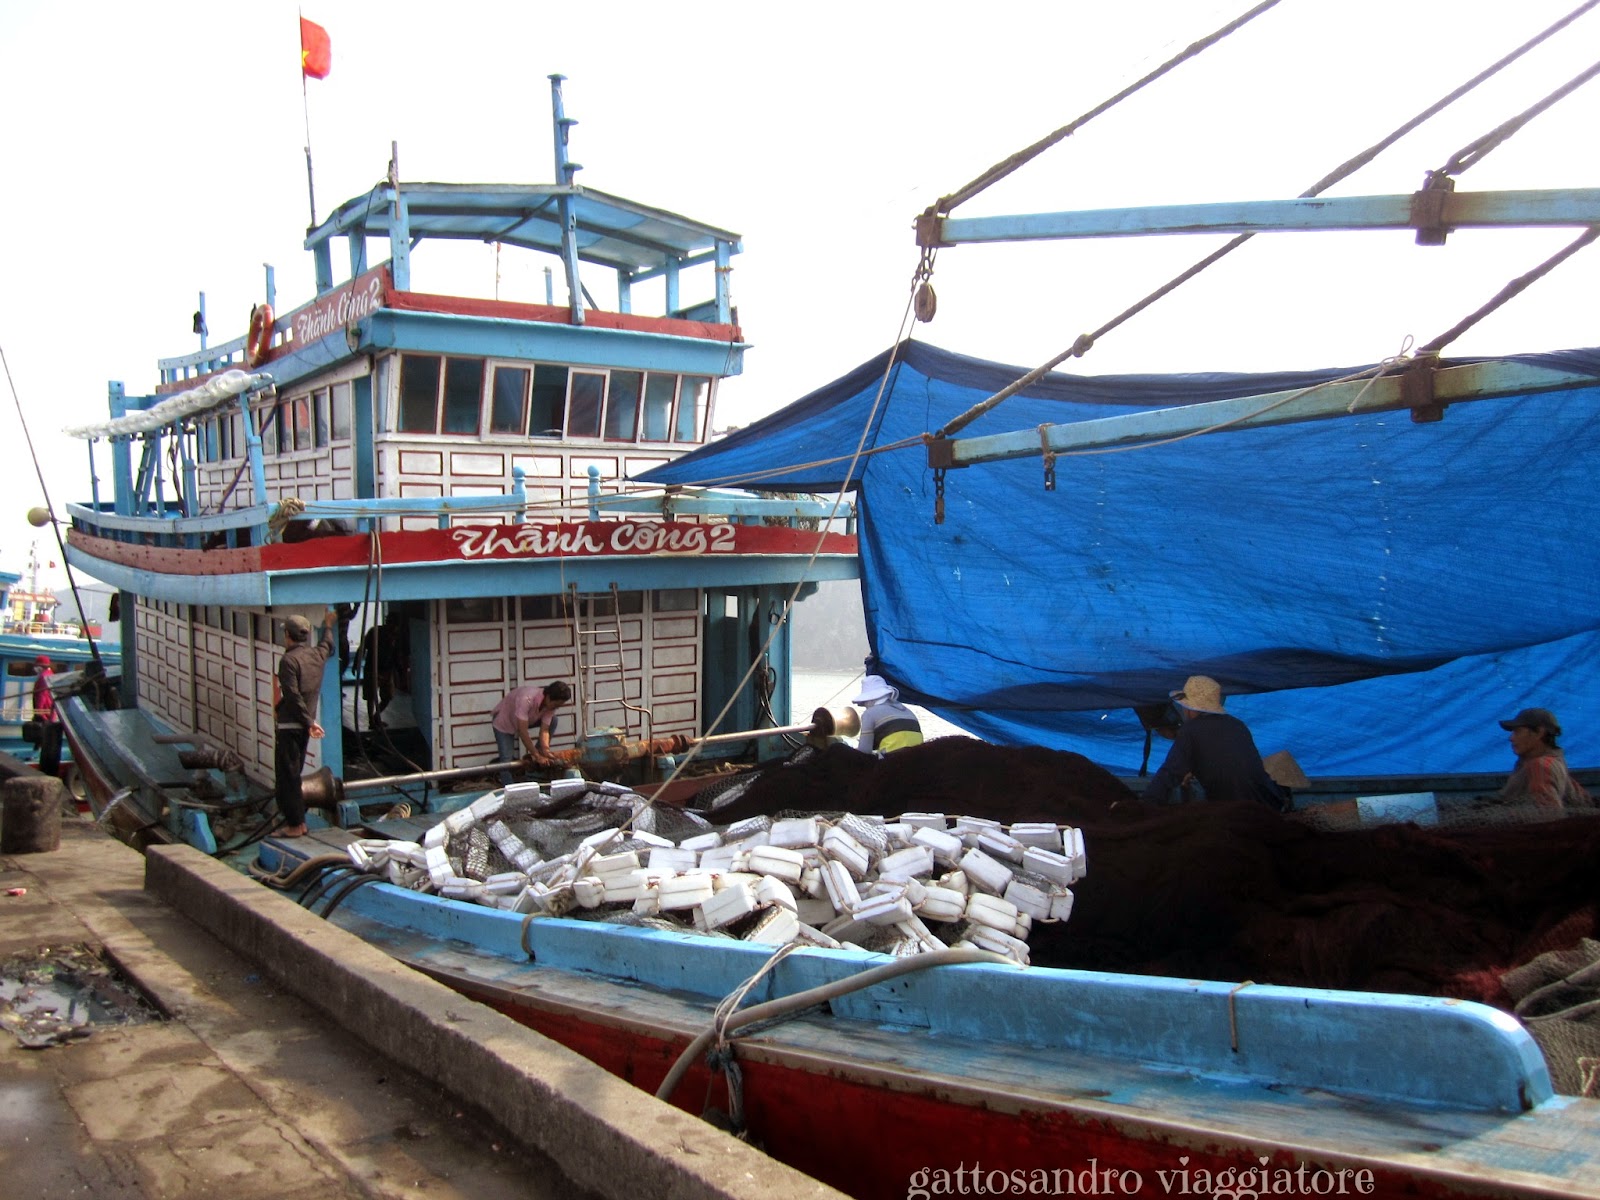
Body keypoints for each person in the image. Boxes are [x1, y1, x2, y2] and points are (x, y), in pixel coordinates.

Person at [1141, 675, 1288, 812]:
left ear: (1188, 708)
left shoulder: (1191, 730)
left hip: (1235, 809)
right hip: (1267, 803)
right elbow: (1228, 760)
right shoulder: (1238, 725)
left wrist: (1146, 804)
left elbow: (1170, 772)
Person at [274, 610, 337, 837]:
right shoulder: (316, 655)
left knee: (287, 779)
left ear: (288, 637)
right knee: (294, 772)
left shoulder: (288, 660)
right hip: (302, 728)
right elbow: (327, 644)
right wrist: (328, 624)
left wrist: (309, 721)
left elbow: (291, 695)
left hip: (291, 726)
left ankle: (296, 824)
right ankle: (297, 821)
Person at [1494, 708, 1589, 813]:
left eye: (1518, 731)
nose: (1511, 738)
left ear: (1539, 733)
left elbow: (1548, 816)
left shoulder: (1540, 766)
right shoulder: (1553, 763)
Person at [490, 680, 573, 784]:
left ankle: (538, 755)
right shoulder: (527, 699)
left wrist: (546, 751)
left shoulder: (550, 705)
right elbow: (522, 732)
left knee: (554, 720)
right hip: (504, 722)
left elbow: (545, 730)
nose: (556, 708)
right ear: (548, 697)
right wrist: (537, 756)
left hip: (527, 720)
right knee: (506, 761)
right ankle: (509, 787)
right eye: (556, 704)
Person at [357, 611, 410, 729]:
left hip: (387, 671)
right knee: (370, 696)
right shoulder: (375, 632)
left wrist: (402, 675)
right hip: (372, 669)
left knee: (388, 696)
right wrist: (357, 662)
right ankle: (371, 721)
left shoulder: (397, 637)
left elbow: (397, 657)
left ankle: (376, 717)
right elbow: (363, 647)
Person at [853, 674, 924, 755]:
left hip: (893, 760)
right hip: (918, 758)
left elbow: (864, 751)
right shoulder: (908, 711)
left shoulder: (869, 713)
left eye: (864, 702)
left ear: (870, 700)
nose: (865, 705)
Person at [31, 655, 55, 723]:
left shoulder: (44, 676)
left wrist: (39, 710)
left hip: (44, 710)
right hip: (50, 707)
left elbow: (42, 694)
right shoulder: (51, 674)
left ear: (40, 666)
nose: (35, 668)